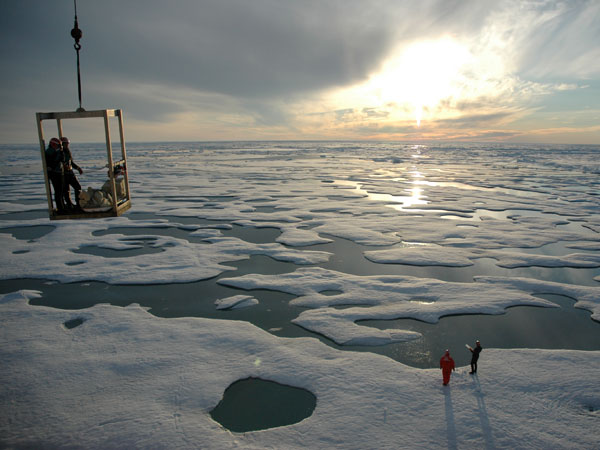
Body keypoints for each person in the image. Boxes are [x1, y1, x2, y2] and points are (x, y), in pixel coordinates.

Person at [60, 137, 83, 211]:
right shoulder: (60, 152)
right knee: (66, 190)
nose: (67, 145)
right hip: (64, 174)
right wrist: (64, 166)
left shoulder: (67, 152)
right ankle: (69, 204)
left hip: (70, 173)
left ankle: (78, 203)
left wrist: (78, 168)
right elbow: (59, 162)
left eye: (67, 143)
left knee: (78, 187)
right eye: (66, 143)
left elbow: (71, 163)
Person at [44, 137, 66, 213]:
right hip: (55, 174)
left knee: (60, 191)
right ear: (53, 144)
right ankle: (60, 208)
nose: (59, 147)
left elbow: (62, 160)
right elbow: (53, 163)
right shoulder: (49, 152)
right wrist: (59, 156)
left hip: (58, 173)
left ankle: (62, 206)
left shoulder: (57, 152)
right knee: (58, 191)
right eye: (58, 145)